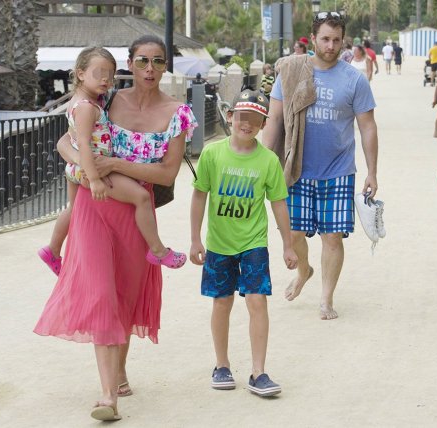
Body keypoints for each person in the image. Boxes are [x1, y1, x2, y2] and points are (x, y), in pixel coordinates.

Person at [34, 35, 197, 421]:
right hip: (94, 206)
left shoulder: (179, 114)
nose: (150, 69)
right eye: (143, 61)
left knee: (125, 293)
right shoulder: (106, 97)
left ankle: (119, 372)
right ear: (131, 62)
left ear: (165, 66)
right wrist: (87, 170)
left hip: (136, 213)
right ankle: (108, 395)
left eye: (158, 62)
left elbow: (167, 172)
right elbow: (64, 141)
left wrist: (115, 166)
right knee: (103, 295)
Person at [262, 11, 379, 321]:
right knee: (293, 234)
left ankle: (326, 299)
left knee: (332, 237)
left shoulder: (354, 79)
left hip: (339, 169)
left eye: (336, 40)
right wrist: (260, 162)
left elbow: (367, 126)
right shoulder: (289, 72)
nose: (330, 46)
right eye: (325, 39)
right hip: (296, 167)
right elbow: (273, 118)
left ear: (343, 42)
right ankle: (304, 271)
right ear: (312, 38)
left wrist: (372, 171)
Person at [37, 47, 187, 276]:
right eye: (141, 61)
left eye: (110, 74)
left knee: (74, 209)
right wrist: (94, 176)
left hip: (81, 169)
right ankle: (158, 250)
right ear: (80, 73)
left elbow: (167, 175)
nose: (106, 79)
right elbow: (72, 142)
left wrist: (82, 165)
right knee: (142, 197)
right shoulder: (90, 106)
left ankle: (53, 250)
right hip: (93, 173)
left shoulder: (88, 101)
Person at [190, 89, 297, 397]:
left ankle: (258, 372)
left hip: (253, 242)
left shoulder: (268, 161)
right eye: (241, 117)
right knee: (221, 301)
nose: (246, 124)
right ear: (230, 117)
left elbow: (278, 203)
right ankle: (221, 365)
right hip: (219, 243)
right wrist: (195, 238)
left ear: (263, 124)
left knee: (256, 300)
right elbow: (200, 196)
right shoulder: (212, 154)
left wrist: (287, 245)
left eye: (254, 120)